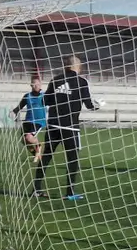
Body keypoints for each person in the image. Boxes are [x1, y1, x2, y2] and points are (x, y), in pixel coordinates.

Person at [33, 55, 101, 200]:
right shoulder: (82, 82)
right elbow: (89, 105)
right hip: (70, 127)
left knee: (46, 157)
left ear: (65, 66)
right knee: (72, 160)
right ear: (79, 67)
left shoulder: (55, 80)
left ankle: (36, 189)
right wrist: (99, 104)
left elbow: (45, 100)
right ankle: (69, 193)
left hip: (52, 125)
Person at [12, 75, 47, 163]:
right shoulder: (27, 96)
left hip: (38, 121)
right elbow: (19, 106)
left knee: (28, 137)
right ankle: (37, 153)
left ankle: (38, 145)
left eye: (37, 84)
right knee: (24, 141)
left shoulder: (44, 95)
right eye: (34, 84)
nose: (36, 86)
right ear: (31, 85)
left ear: (40, 84)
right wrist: (13, 112)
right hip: (28, 121)